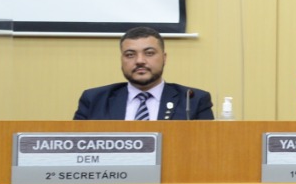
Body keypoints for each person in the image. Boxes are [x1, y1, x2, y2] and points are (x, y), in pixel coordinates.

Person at [74, 26, 214, 120]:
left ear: (164, 58)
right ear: (121, 60)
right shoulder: (95, 99)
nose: (140, 61)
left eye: (149, 53)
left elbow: (206, 150)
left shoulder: (193, 100)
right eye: (130, 55)